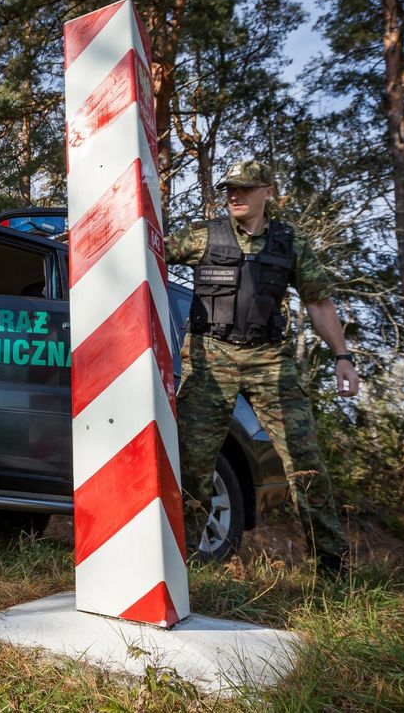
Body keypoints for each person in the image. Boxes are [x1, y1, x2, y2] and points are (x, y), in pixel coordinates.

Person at [165, 160, 360, 578]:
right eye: (230, 188)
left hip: (270, 360)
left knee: (305, 463)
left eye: (244, 188)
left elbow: (319, 303)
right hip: (210, 356)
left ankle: (333, 570)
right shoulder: (203, 236)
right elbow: (149, 251)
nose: (234, 194)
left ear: (266, 192)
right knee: (192, 467)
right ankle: (182, 568)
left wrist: (343, 355)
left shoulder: (291, 243)